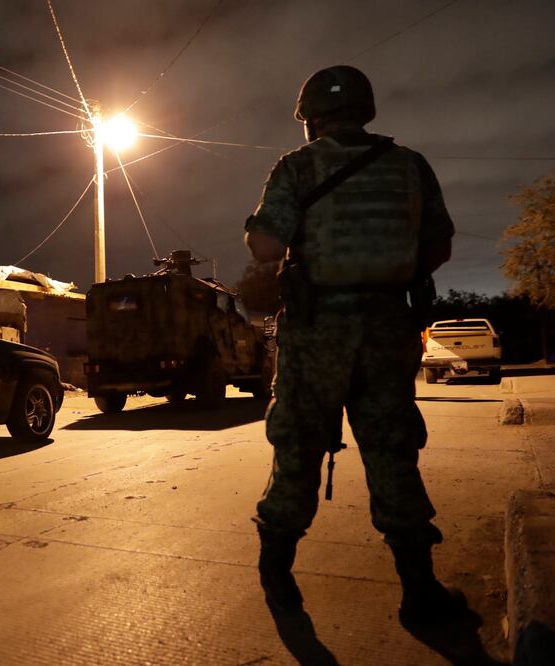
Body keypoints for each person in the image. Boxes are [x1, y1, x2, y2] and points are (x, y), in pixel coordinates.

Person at [243, 65, 461, 626]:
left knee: (297, 448)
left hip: (317, 331)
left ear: (312, 118)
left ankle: (278, 578)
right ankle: (419, 591)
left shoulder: (298, 166)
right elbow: (439, 246)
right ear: (364, 110)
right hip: (388, 328)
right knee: (393, 451)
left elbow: (267, 247)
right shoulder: (410, 166)